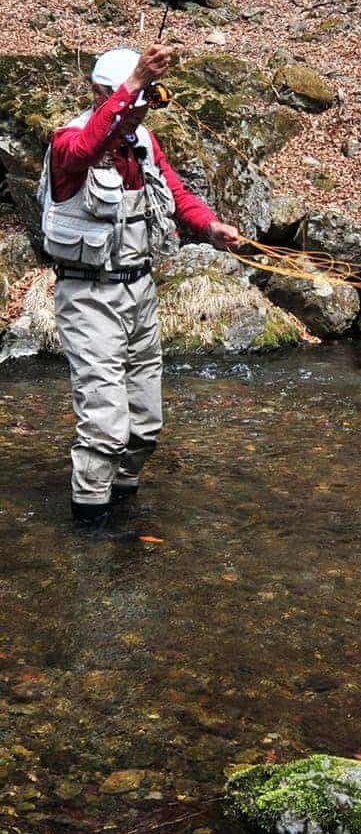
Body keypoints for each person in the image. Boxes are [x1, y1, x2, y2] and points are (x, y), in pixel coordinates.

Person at [38, 44, 241, 524]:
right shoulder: (68, 142)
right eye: (135, 97)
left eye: (147, 97)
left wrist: (210, 226)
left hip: (140, 296)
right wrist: (133, 83)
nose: (143, 107)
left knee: (145, 426)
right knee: (106, 427)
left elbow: (176, 192)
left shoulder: (144, 143)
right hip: (87, 296)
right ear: (102, 93)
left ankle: (123, 511)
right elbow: (88, 147)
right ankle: (89, 529)